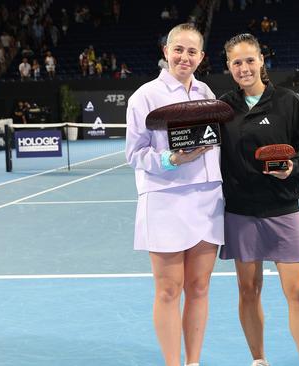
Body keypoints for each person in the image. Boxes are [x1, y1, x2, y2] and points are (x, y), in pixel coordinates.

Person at [125, 23, 223, 366]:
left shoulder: (206, 92)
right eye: (178, 49)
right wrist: (171, 159)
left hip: (208, 199)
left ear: (201, 57)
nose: (184, 57)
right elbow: (134, 154)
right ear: (166, 52)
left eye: (191, 51)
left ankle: (193, 362)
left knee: (199, 288)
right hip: (165, 200)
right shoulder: (145, 96)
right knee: (168, 290)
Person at [219, 33, 299, 366]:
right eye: (237, 62)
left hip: (282, 208)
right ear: (229, 66)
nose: (245, 68)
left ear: (262, 60)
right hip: (241, 212)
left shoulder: (288, 101)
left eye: (250, 60)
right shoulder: (222, 107)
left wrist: (292, 168)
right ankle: (259, 360)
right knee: (249, 291)